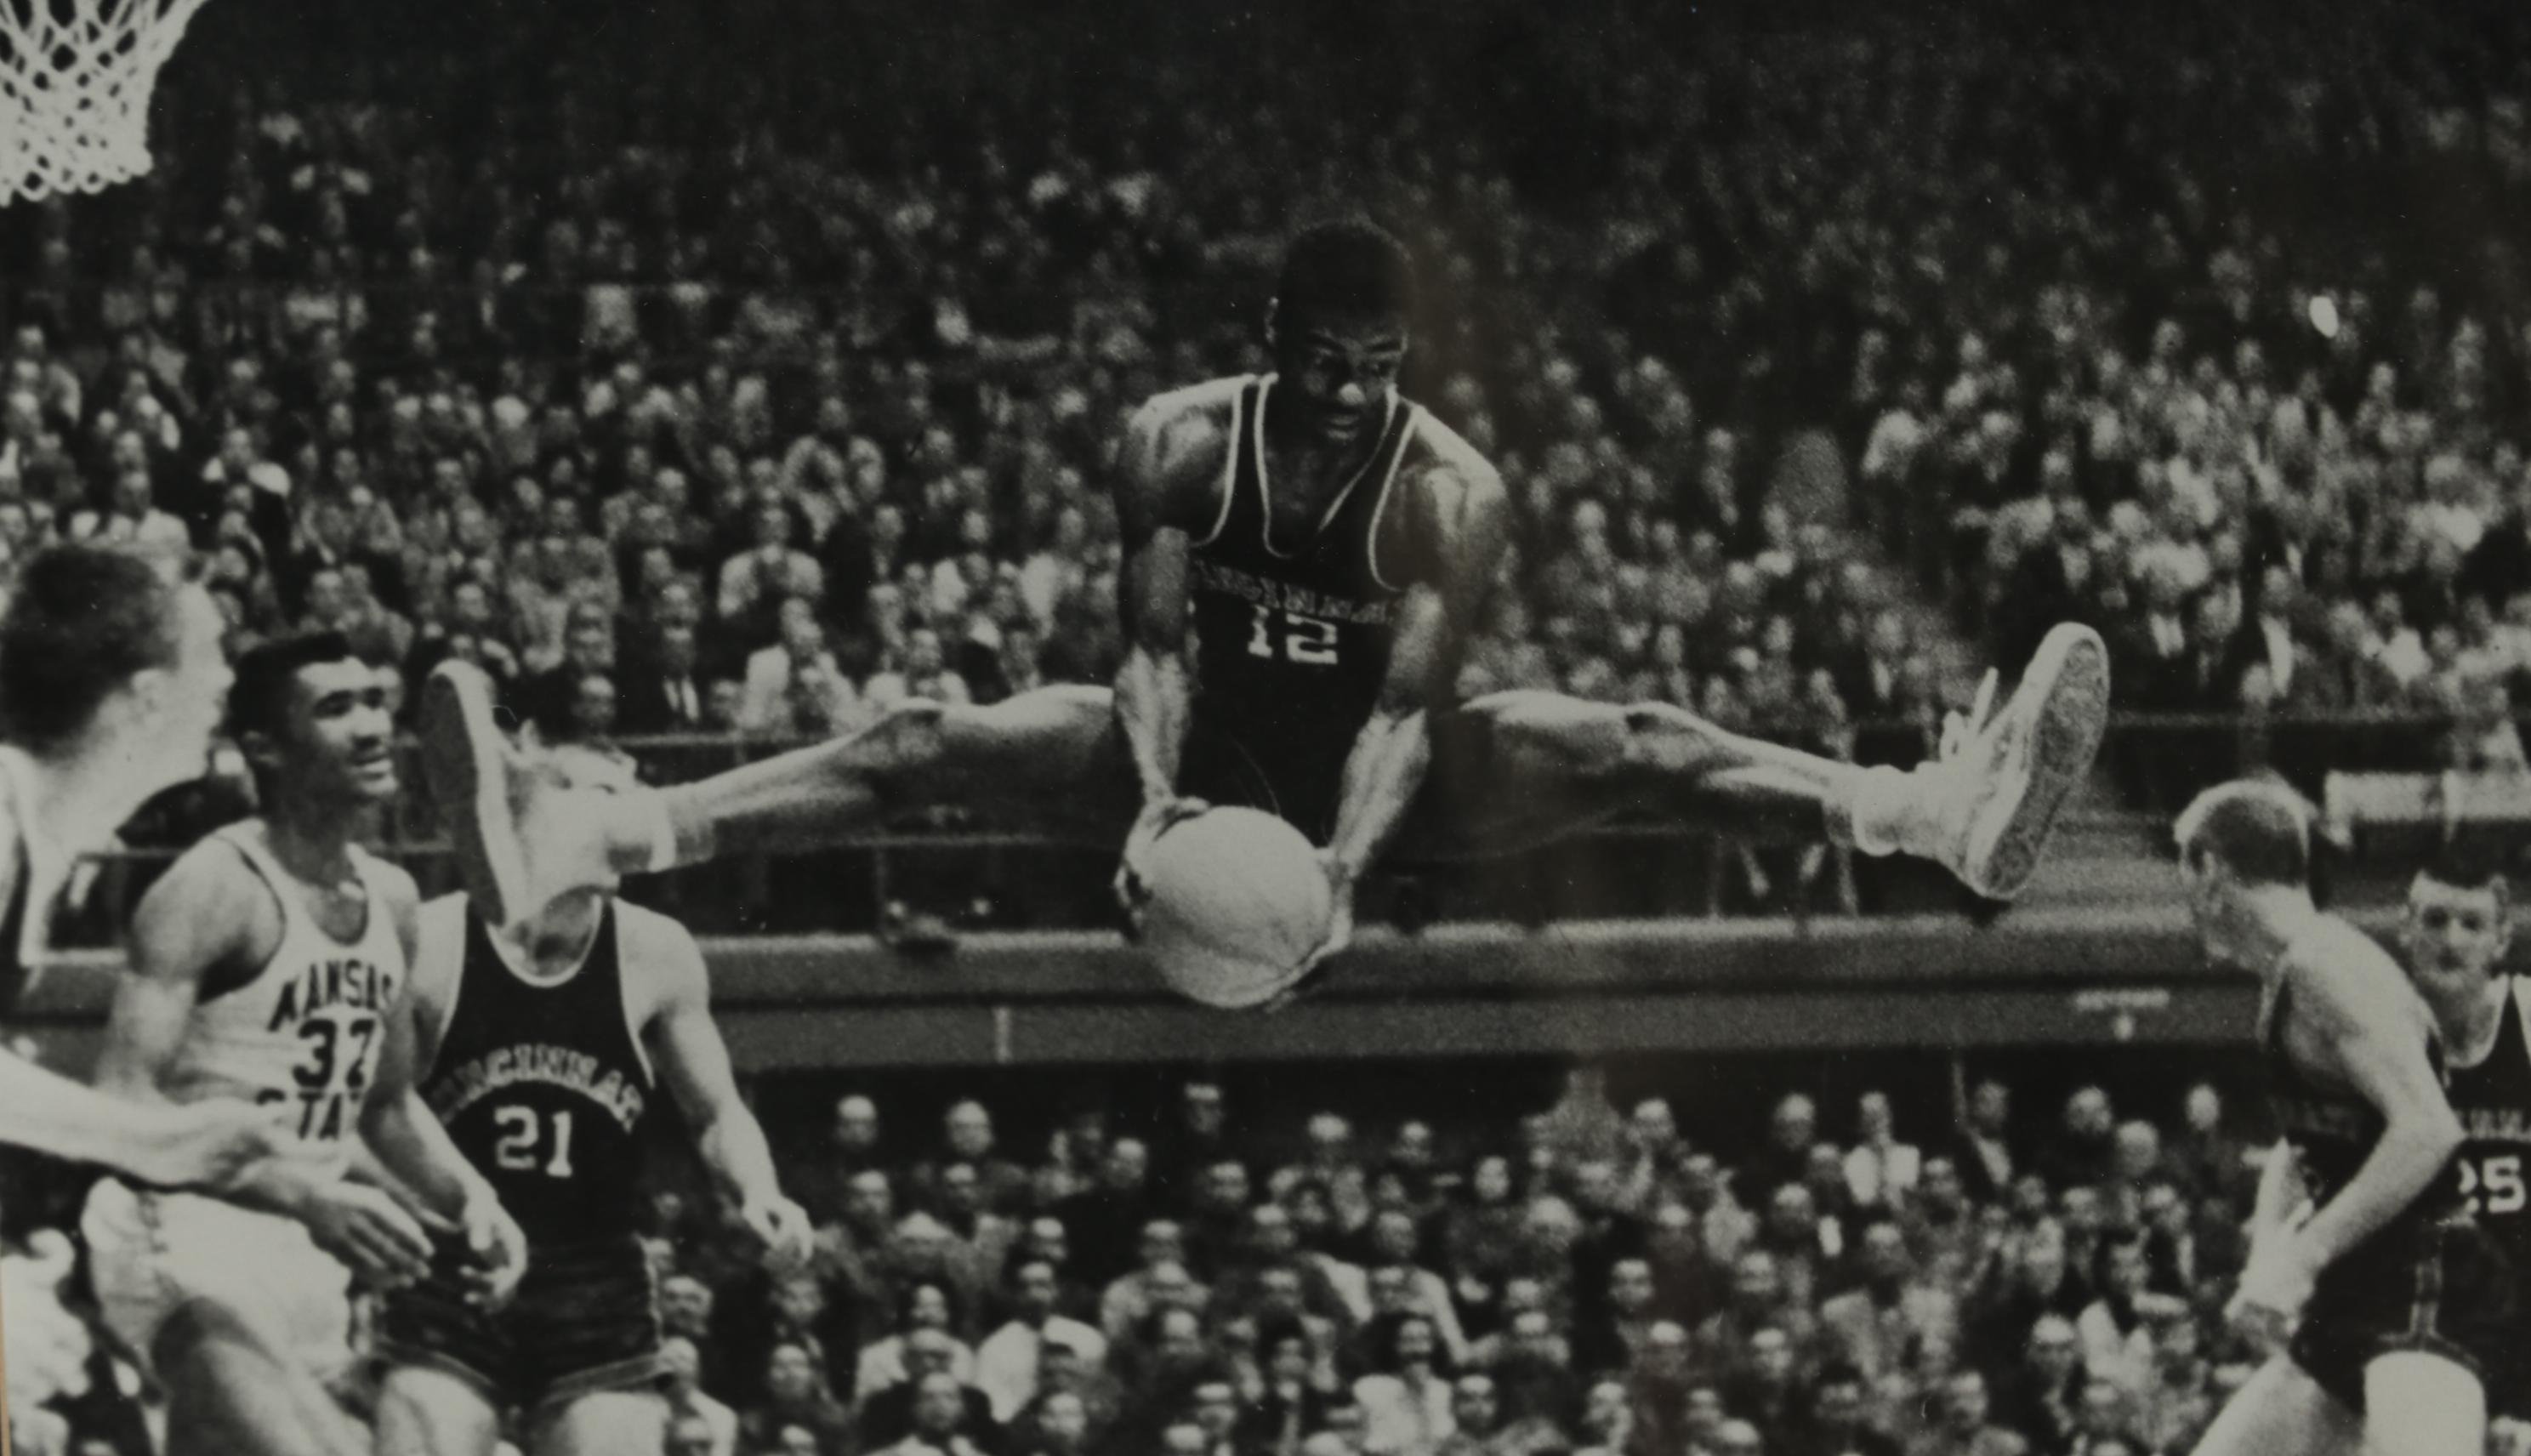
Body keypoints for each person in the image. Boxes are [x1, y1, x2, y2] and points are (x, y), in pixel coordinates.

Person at [424, 223, 2109, 996]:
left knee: (1634, 735)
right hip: (1195, 752)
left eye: (1380, 371)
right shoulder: (1174, 439)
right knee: (931, 731)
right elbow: (1150, 650)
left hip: (1380, 787)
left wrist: (1338, 882)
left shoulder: (1453, 489)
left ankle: (1921, 813)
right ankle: (616, 835)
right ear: (1273, 335)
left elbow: (1398, 711)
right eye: (1325, 362)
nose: (1352, 394)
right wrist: (1158, 804)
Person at [81, 633, 527, 1456]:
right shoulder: (211, 886)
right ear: (265, 749)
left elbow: (387, 1103)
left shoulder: (396, 899)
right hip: (184, 1235)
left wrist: (478, 1197)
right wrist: (296, 1190)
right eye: (334, 708)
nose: (374, 725)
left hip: (301, 1255)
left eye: (378, 700)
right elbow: (116, 1110)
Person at [367, 743, 815, 1456]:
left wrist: (760, 1189)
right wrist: (465, 1200)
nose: (634, 815)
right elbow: (384, 1107)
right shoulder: (436, 938)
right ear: (537, 809)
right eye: (607, 793)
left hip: (594, 1276)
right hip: (454, 1269)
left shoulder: (655, 949)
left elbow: (717, 1110)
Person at [2160, 781, 2531, 1456]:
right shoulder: (2310, 967)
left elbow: (2430, 1132)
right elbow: (2313, 1146)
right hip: (2371, 1290)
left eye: (2186, 873)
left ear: (2210, 869)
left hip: (2427, 1275)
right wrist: (2269, 1255)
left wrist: (2301, 1253)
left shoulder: (2330, 966)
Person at [0, 545, 279, 1186]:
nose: (227, 682)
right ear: (149, 698)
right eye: (213, 655)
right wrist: (147, 1140)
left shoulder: (40, 837)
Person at [2376, 854, 2531, 1456]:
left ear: (2502, 936)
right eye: (2433, 919)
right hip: (2433, 1340)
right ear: (2405, 927)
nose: (2450, 939)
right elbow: (2296, 1165)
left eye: (2471, 922)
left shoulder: (2529, 1020)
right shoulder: (2375, 1033)